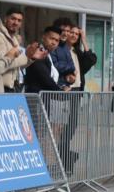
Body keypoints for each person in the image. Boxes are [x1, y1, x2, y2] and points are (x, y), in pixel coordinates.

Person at [25, 26, 77, 171]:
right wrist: (60, 92)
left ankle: (39, 167)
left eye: (57, 40)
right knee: (35, 136)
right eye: (51, 38)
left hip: (43, 100)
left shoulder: (48, 55)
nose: (54, 42)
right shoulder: (38, 53)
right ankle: (34, 168)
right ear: (43, 37)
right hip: (34, 100)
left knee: (42, 134)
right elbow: (44, 79)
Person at [0, 8, 33, 93]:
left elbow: (17, 66)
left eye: (19, 20)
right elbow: (3, 64)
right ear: (5, 19)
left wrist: (31, 58)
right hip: (0, 88)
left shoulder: (14, 39)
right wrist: (26, 58)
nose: (16, 23)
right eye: (13, 19)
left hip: (12, 87)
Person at [66, 24, 98, 91]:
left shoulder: (76, 51)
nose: (74, 35)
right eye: (72, 32)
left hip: (78, 88)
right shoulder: (60, 49)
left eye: (77, 34)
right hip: (65, 88)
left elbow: (91, 60)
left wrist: (83, 40)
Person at [51, 17, 77, 89]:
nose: (66, 33)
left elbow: (72, 66)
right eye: (63, 30)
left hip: (65, 89)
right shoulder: (52, 45)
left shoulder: (66, 47)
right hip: (53, 89)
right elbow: (54, 66)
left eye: (68, 31)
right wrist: (71, 69)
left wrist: (71, 78)